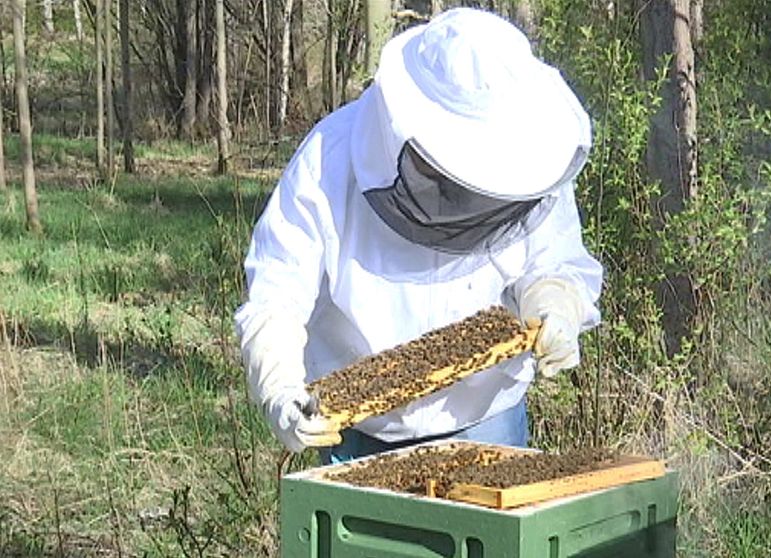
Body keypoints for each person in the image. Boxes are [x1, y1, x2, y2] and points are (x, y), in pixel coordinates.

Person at [234, 7, 603, 463]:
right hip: (357, 433)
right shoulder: (328, 158)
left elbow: (553, 261)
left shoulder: (529, 155)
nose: (465, 198)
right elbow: (277, 293)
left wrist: (556, 303)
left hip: (489, 420)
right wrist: (281, 387)